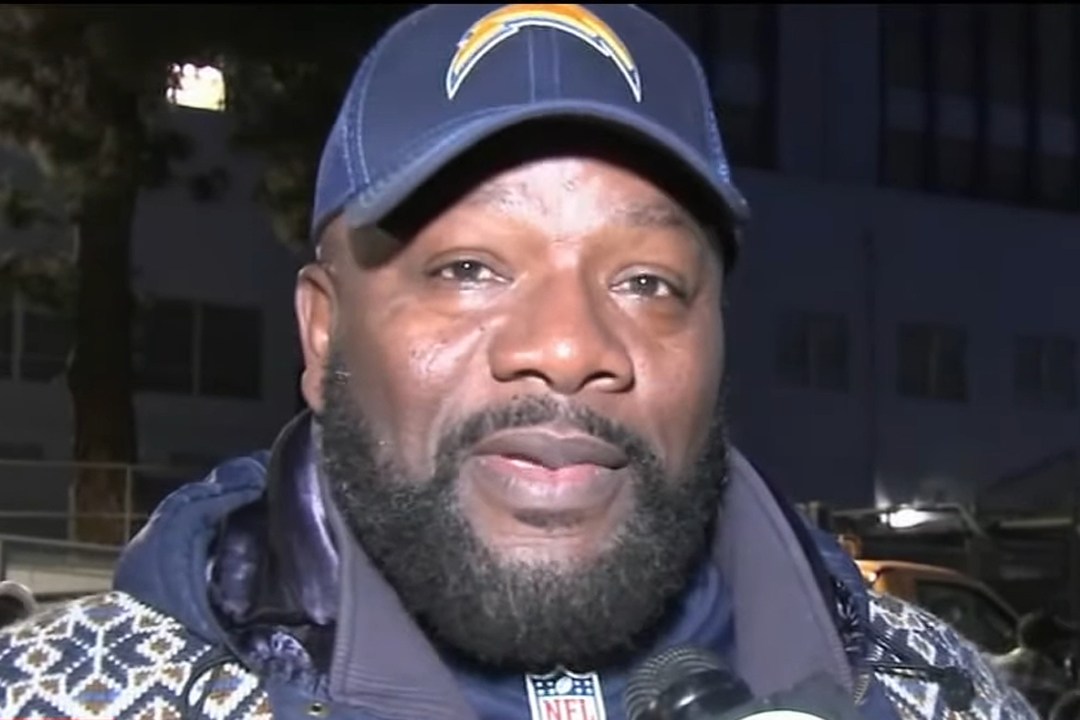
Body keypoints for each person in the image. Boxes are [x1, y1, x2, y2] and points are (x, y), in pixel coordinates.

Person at [0, 4, 1037, 720]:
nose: (569, 347)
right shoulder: (66, 696)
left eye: (647, 282)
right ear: (321, 334)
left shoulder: (946, 696)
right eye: (467, 268)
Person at [990, 610, 1074, 717]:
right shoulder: (1035, 667)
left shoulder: (1008, 659)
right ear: (1053, 644)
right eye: (1065, 645)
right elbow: (1067, 687)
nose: (1066, 651)